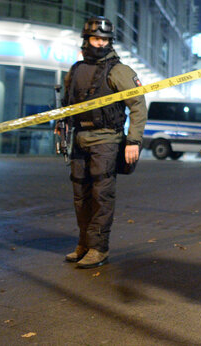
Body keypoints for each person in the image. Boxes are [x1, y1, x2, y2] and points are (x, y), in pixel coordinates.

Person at [58, 16, 147, 269]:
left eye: (105, 40)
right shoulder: (75, 70)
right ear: (86, 40)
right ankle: (84, 244)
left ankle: (99, 248)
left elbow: (138, 107)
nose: (100, 44)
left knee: (101, 195)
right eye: (95, 39)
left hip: (107, 140)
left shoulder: (119, 71)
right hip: (79, 139)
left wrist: (133, 141)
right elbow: (67, 104)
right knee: (80, 196)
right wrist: (60, 122)